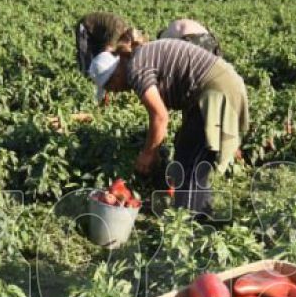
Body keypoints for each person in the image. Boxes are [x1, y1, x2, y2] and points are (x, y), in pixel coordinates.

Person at [84, 36, 248, 215]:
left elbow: (160, 116)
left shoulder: (135, 69)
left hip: (217, 89)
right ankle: (196, 210)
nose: (114, 92)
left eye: (110, 86)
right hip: (214, 86)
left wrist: (148, 153)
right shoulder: (136, 60)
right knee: (186, 149)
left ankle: (191, 220)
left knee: (191, 162)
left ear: (115, 74)